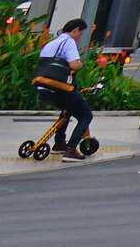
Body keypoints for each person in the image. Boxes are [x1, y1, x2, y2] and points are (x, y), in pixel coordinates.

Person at [35, 16, 96, 155]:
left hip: (44, 88)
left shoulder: (51, 43)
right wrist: (80, 64)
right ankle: (71, 150)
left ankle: (59, 143)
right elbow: (74, 64)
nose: (79, 37)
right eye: (80, 34)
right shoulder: (69, 42)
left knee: (67, 112)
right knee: (86, 116)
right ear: (75, 30)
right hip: (60, 88)